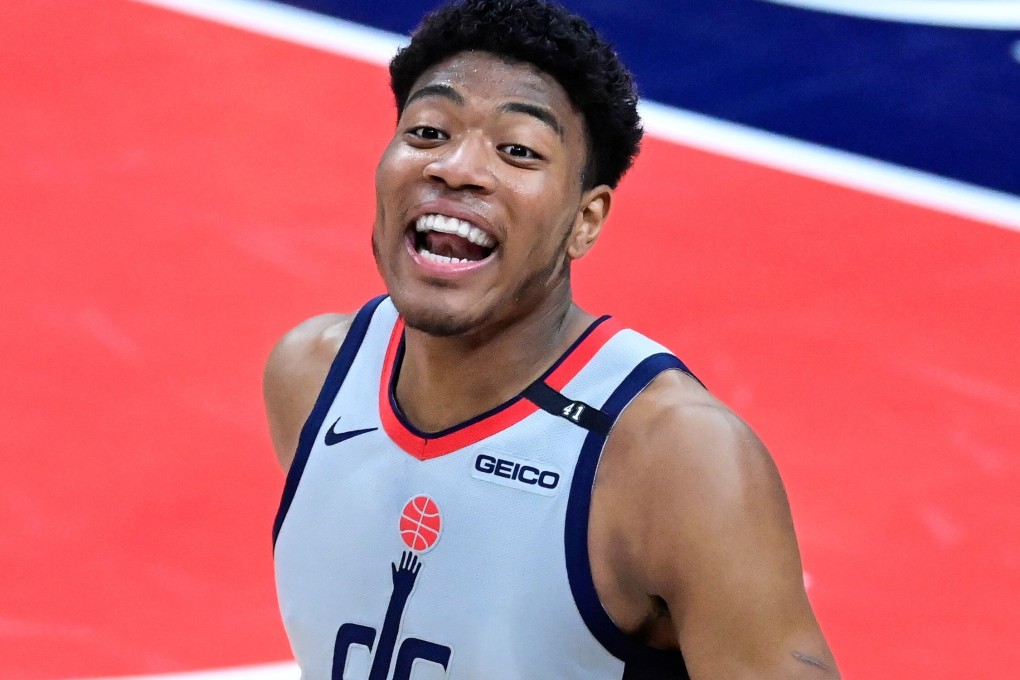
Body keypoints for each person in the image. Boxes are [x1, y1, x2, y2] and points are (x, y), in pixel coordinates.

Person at [264, 0, 840, 678]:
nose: (456, 168)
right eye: (427, 131)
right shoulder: (312, 376)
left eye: (517, 150)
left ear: (584, 221)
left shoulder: (674, 460)